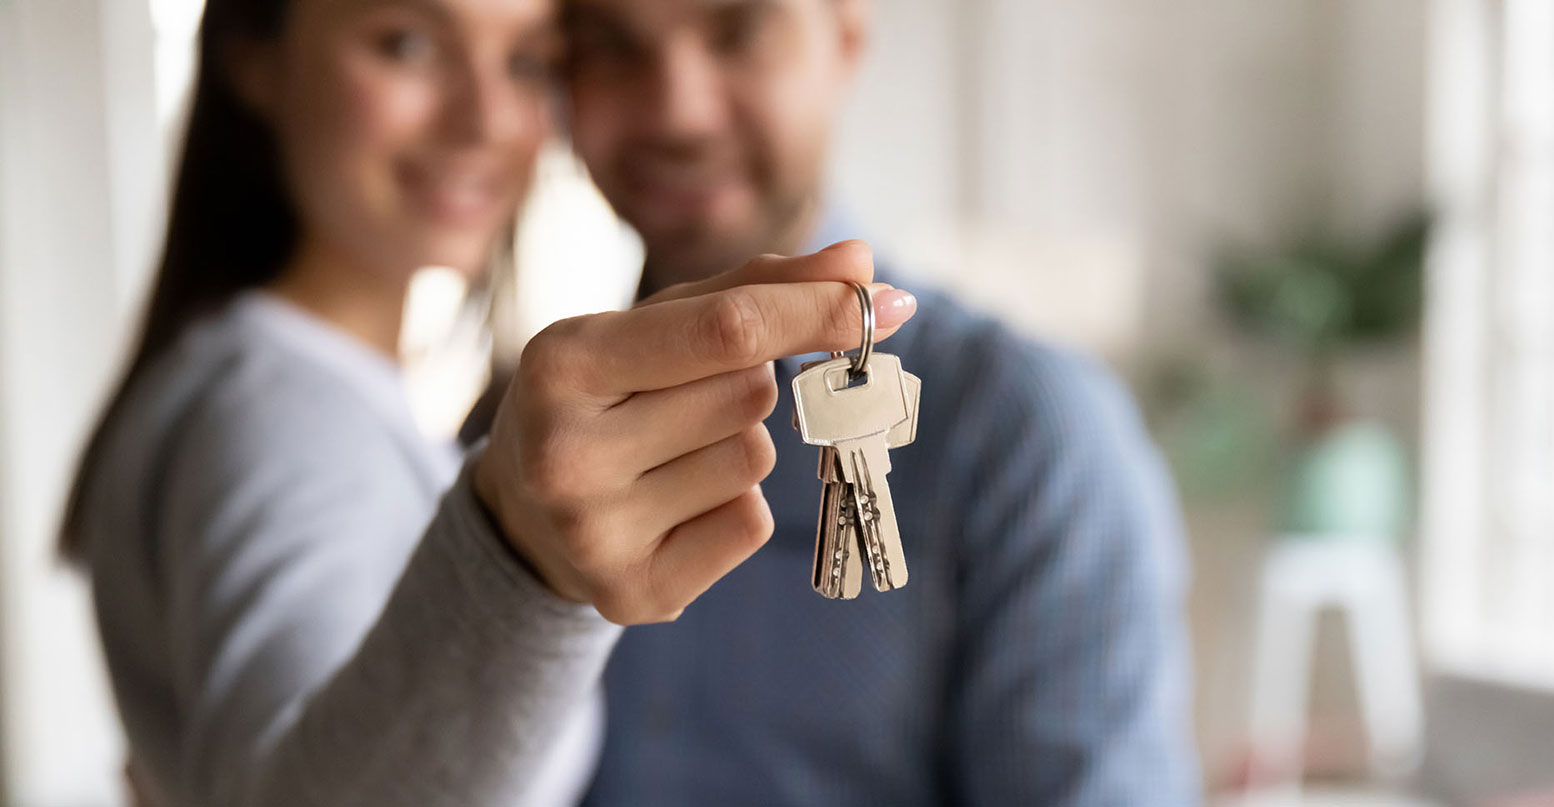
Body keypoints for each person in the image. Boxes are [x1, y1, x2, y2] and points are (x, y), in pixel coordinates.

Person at [61, 0, 916, 804]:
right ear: (254, 55)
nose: (486, 120)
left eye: (526, 61)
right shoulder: (274, 418)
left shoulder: (307, 390)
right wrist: (518, 566)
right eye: (407, 42)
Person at [557, 0, 1201, 803]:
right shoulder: (521, 436)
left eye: (740, 29)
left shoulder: (1028, 432)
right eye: (609, 46)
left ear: (847, 41)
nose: (677, 111)